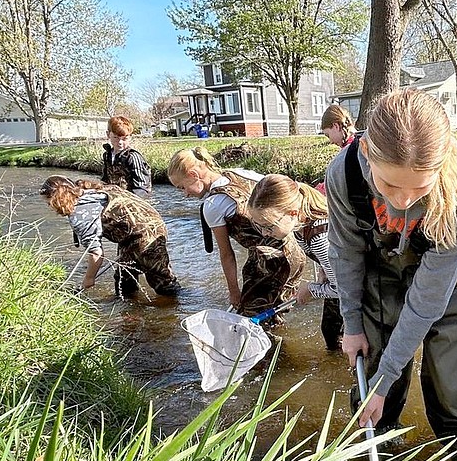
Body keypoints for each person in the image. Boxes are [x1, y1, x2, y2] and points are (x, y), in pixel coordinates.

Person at [325, 88, 457, 461]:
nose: (402, 201)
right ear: (368, 154)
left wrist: (385, 376)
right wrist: (351, 324)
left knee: (451, 372)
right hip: (379, 266)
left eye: (419, 188)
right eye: (389, 186)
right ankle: (375, 443)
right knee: (375, 365)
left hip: (447, 271)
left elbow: (427, 302)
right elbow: (346, 252)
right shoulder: (344, 173)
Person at [167, 147, 306, 316]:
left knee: (252, 317)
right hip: (296, 255)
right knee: (275, 311)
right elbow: (280, 188)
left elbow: (227, 254)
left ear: (193, 175)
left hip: (269, 261)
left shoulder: (212, 206)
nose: (185, 194)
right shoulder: (238, 173)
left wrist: (234, 293)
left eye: (182, 187)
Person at [246, 173, 344, 351]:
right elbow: (332, 262)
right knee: (331, 331)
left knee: (343, 339)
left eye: (268, 226)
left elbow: (342, 289)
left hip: (364, 289)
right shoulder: (300, 225)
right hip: (344, 281)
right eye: (258, 225)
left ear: (292, 213)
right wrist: (325, 271)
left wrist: (311, 290)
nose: (264, 233)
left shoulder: (319, 237)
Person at [39, 175, 180, 298]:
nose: (50, 207)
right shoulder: (90, 192)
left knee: (164, 284)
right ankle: (131, 315)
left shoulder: (80, 214)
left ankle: (177, 313)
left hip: (147, 235)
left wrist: (89, 278)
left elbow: (96, 254)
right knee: (124, 281)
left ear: (57, 200)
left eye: (48, 203)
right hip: (134, 233)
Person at [102, 115, 152, 197]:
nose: (120, 142)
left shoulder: (132, 157)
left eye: (124, 139)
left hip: (134, 200)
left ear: (130, 137)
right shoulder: (107, 155)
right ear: (108, 134)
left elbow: (142, 188)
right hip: (114, 197)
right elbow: (105, 180)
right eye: (116, 137)